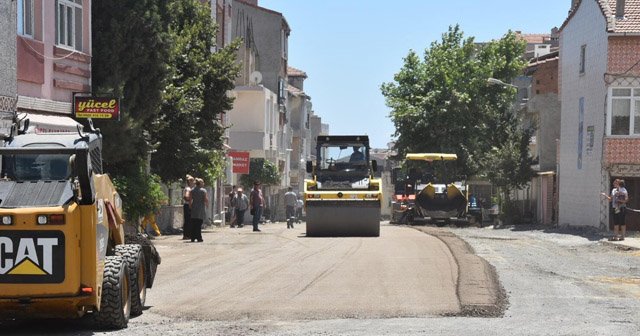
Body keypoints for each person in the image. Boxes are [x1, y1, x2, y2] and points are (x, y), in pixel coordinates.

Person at [189, 178, 208, 242]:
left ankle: (193, 237)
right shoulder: (203, 191)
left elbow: (190, 200)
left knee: (194, 223)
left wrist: (190, 206)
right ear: (200, 183)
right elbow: (205, 199)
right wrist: (207, 204)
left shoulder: (192, 190)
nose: (203, 183)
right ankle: (199, 237)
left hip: (194, 208)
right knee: (199, 224)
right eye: (202, 182)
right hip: (200, 208)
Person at [182, 175, 195, 240]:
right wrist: (190, 200)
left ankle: (186, 235)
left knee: (188, 220)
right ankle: (187, 235)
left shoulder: (188, 188)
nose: (194, 183)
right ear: (190, 182)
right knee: (188, 220)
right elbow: (186, 196)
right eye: (193, 181)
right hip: (188, 206)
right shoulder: (188, 189)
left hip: (187, 205)